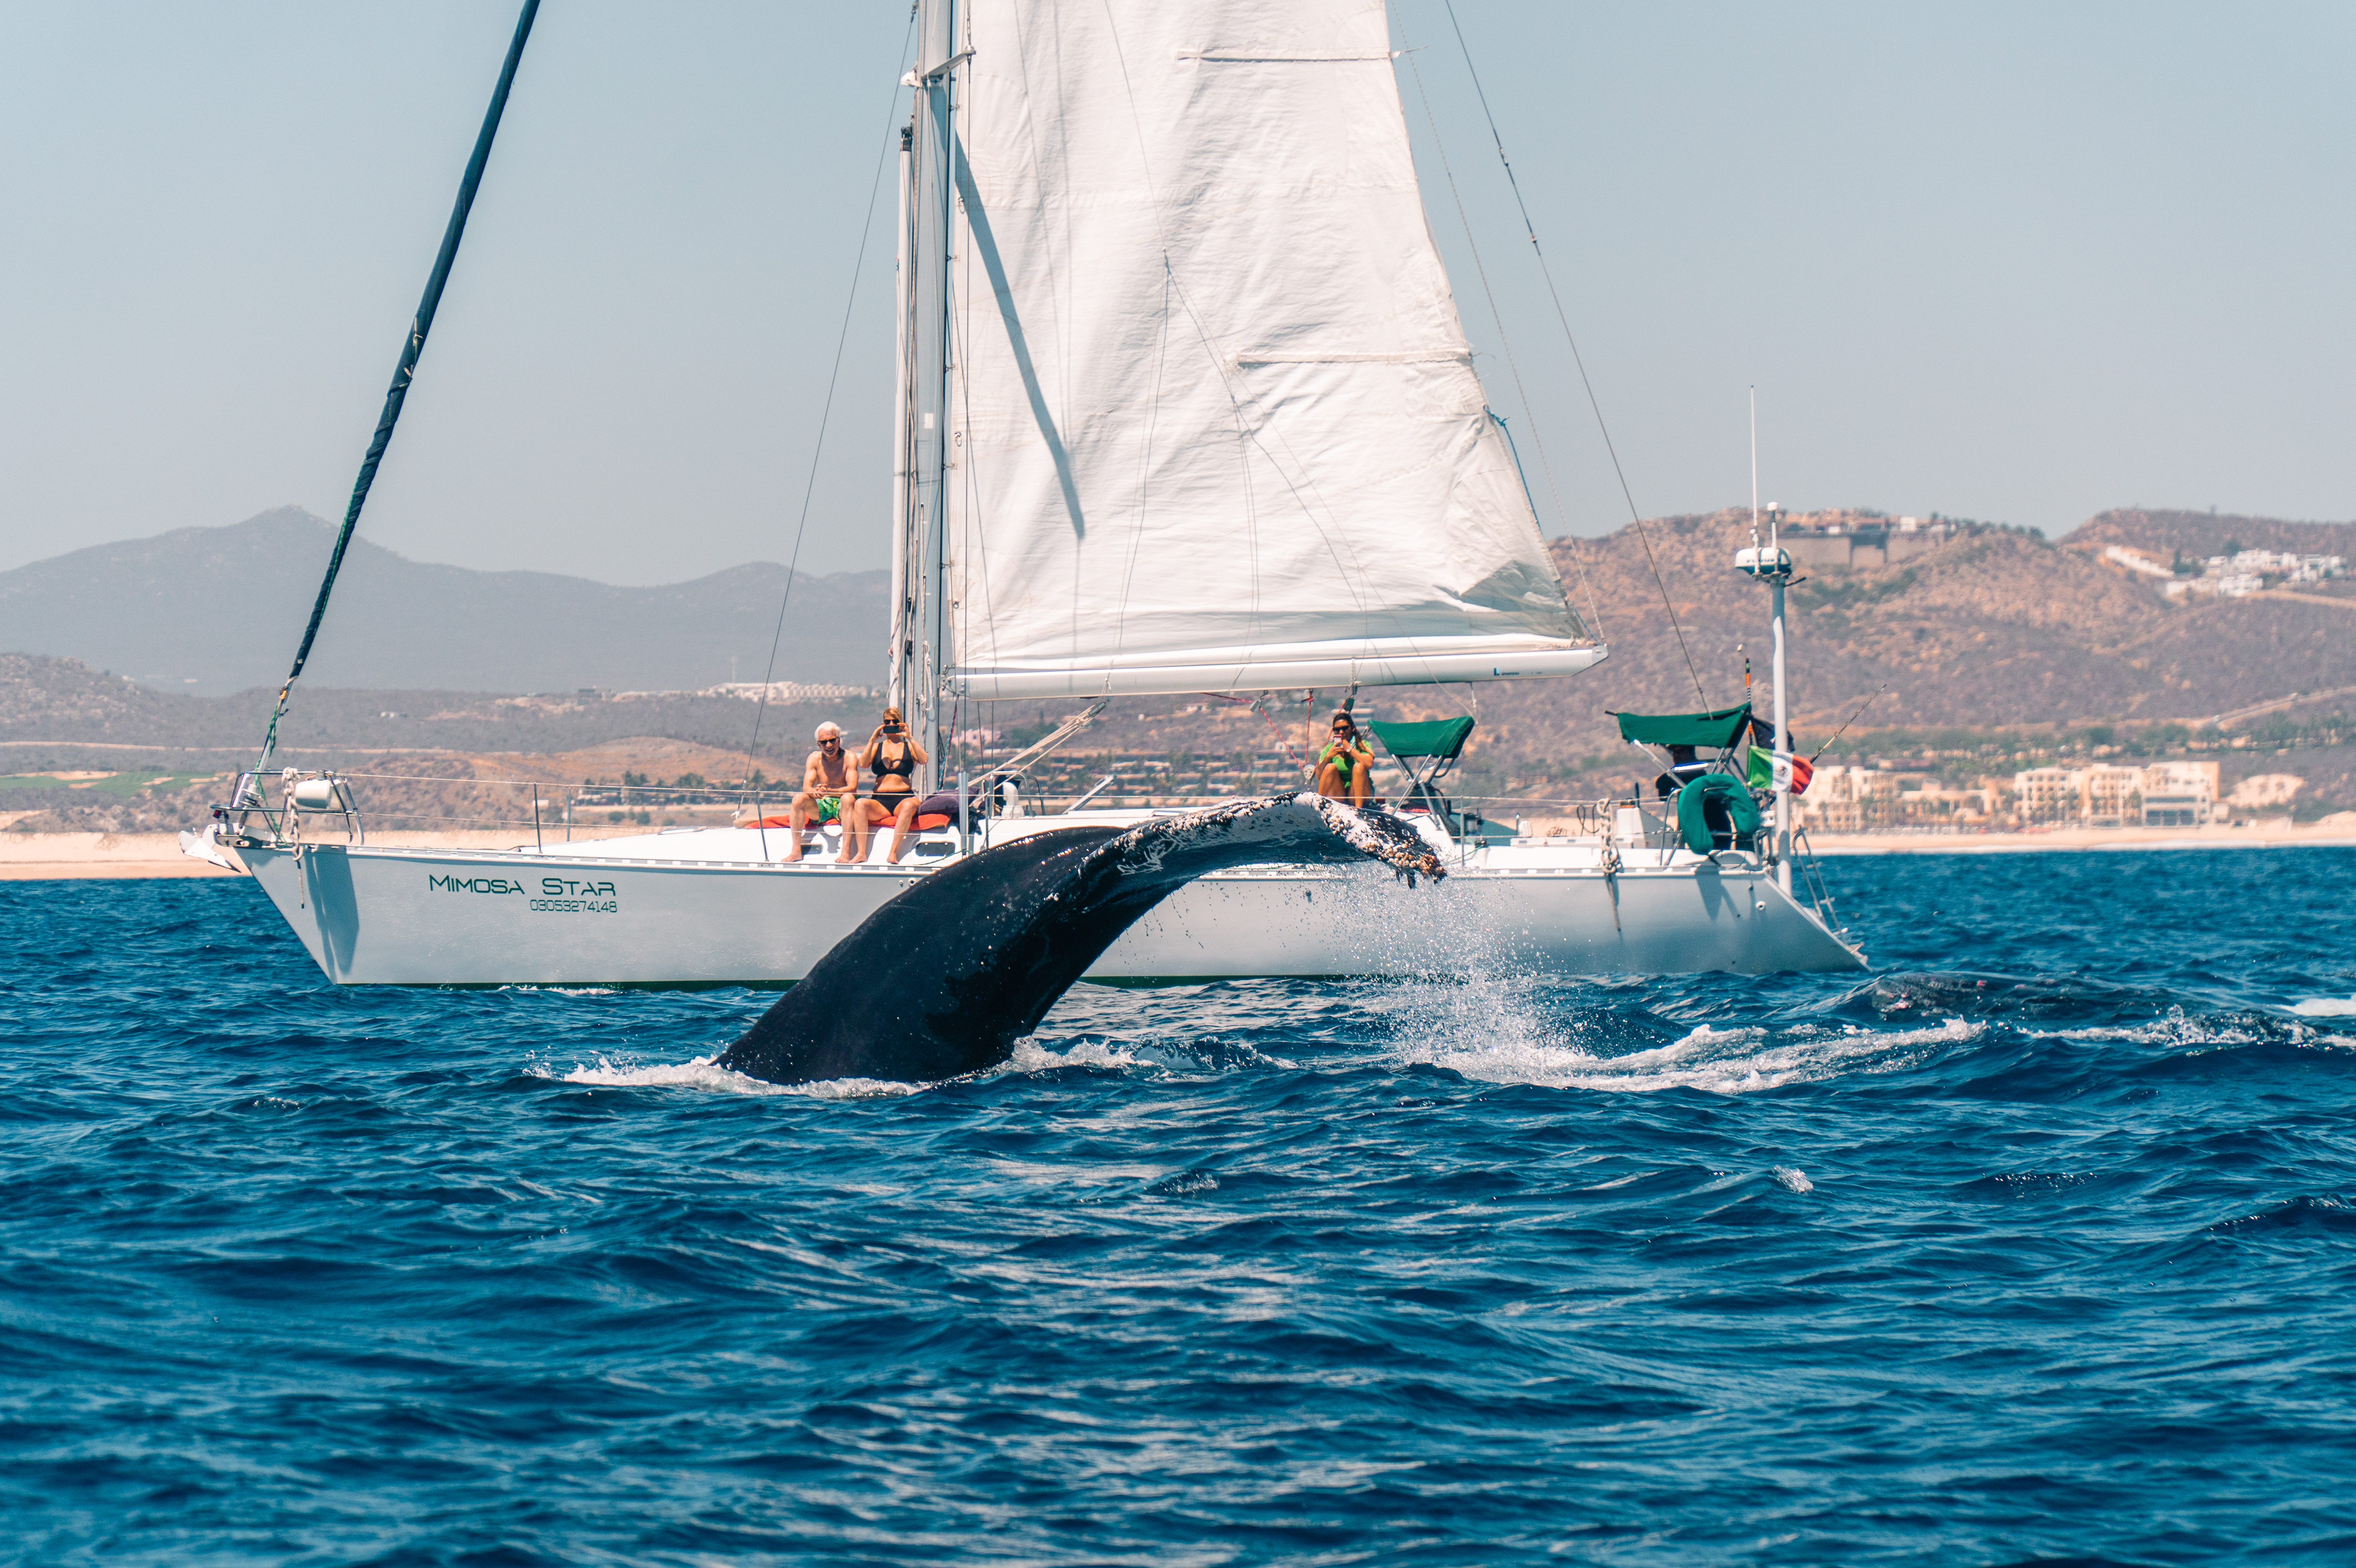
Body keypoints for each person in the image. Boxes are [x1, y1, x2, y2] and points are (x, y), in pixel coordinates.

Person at [856, 706, 930, 863]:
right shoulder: (877, 747)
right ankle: (862, 852)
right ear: (883, 724)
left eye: (895, 721)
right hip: (880, 800)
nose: (891, 724)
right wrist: (872, 739)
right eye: (887, 721)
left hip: (903, 797)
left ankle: (893, 852)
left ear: (901, 724)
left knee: (910, 805)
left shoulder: (908, 746)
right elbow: (863, 764)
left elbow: (924, 760)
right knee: (861, 804)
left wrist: (910, 738)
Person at [787, 722, 864, 863]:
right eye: (824, 742)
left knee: (848, 798)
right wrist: (815, 792)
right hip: (823, 804)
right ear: (819, 744)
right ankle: (796, 851)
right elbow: (807, 788)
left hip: (843, 805)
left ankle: (846, 852)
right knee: (798, 799)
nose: (829, 745)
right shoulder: (814, 759)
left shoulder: (850, 757)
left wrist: (830, 791)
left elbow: (852, 788)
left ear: (839, 741)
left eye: (832, 741)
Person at [1315, 710, 1374, 807]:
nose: (1341, 732)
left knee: (1359, 767)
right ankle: (1317, 807)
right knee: (1330, 768)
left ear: (1352, 729)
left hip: (1361, 793)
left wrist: (1350, 750)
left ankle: (1358, 811)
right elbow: (1319, 776)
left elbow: (1369, 764)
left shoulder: (1363, 746)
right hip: (1340, 793)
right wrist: (1328, 757)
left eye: (1345, 728)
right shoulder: (1330, 749)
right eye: (1337, 730)